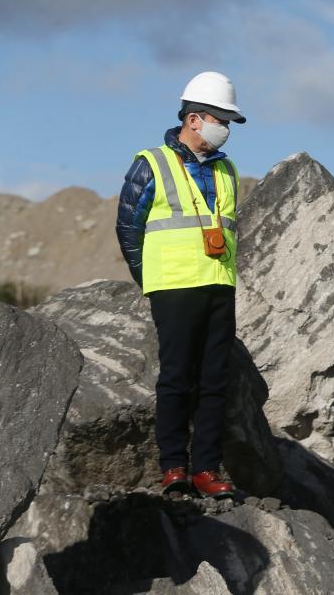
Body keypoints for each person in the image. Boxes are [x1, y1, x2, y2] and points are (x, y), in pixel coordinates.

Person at [115, 71, 246, 499]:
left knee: (215, 379)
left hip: (219, 284)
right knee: (175, 378)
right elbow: (128, 228)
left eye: (227, 122)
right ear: (194, 119)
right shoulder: (150, 163)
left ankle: (206, 468)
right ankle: (173, 466)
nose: (224, 129)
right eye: (219, 119)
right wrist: (149, 278)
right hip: (173, 287)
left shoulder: (227, 170)